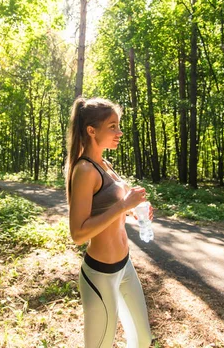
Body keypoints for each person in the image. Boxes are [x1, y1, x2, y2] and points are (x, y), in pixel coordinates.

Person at [65, 97, 153, 348]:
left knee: (143, 340)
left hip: (124, 266)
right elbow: (78, 234)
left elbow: (108, 211)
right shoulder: (84, 170)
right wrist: (123, 206)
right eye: (112, 126)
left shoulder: (106, 165)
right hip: (100, 274)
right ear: (91, 130)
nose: (119, 132)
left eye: (118, 125)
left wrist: (133, 213)